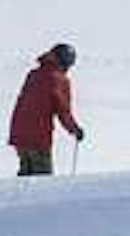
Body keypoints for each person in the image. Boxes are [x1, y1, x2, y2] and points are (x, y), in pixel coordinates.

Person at [8, 42, 83, 176]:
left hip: (19, 132)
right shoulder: (59, 80)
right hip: (38, 137)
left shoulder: (33, 74)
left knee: (25, 176)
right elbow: (63, 111)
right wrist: (75, 129)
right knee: (42, 182)